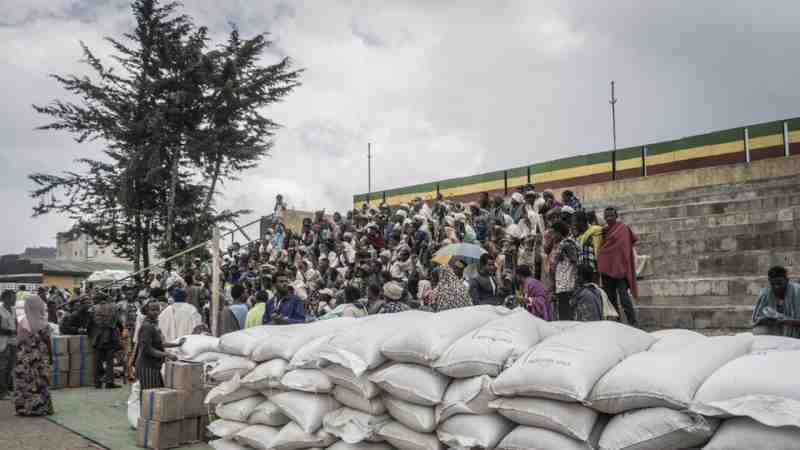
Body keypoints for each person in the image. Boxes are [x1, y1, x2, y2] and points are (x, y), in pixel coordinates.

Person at [597, 207, 639, 327]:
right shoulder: (604, 232)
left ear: (616, 216)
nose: (609, 218)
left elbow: (623, 248)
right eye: (607, 216)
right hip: (607, 271)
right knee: (611, 299)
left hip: (621, 271)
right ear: (604, 217)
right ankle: (618, 325)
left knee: (625, 299)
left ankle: (634, 324)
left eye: (611, 215)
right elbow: (602, 249)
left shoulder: (623, 229)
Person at [14, 295, 53, 416]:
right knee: (41, 381)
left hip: (24, 357)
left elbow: (19, 341)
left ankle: (24, 408)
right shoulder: (44, 324)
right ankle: (41, 408)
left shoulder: (22, 323)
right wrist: (51, 356)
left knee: (25, 382)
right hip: (40, 357)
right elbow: (47, 341)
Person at [134, 301, 183, 391]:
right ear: (147, 311)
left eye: (157, 310)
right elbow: (148, 349)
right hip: (147, 366)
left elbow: (160, 343)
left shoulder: (154, 325)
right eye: (152, 310)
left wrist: (177, 344)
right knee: (149, 394)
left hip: (154, 365)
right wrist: (166, 354)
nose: (156, 312)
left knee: (154, 393)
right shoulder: (147, 327)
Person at [752, 266, 800, 337]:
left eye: (779, 283)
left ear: (787, 280)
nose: (776, 287)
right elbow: (755, 319)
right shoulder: (765, 293)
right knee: (759, 329)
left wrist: (787, 321)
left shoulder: (797, 291)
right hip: (778, 329)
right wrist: (765, 320)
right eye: (773, 284)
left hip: (796, 330)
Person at [92, 295, 122, 389]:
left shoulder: (94, 308)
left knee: (97, 361)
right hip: (111, 336)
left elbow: (90, 323)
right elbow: (118, 322)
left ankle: (97, 382)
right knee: (110, 361)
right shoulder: (114, 307)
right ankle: (109, 382)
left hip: (98, 336)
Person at [552, 221, 579, 321]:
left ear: (559, 232)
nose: (553, 236)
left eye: (554, 233)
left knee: (566, 315)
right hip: (562, 284)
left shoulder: (567, 244)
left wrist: (575, 281)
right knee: (563, 313)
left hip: (567, 284)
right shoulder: (562, 244)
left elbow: (575, 262)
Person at [0, 290, 17, 400]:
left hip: (13, 342)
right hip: (3, 342)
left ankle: (8, 388)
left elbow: (16, 323)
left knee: (10, 367)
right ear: (5, 298)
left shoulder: (13, 309)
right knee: (2, 367)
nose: (14, 300)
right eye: (12, 298)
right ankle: (2, 392)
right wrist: (9, 332)